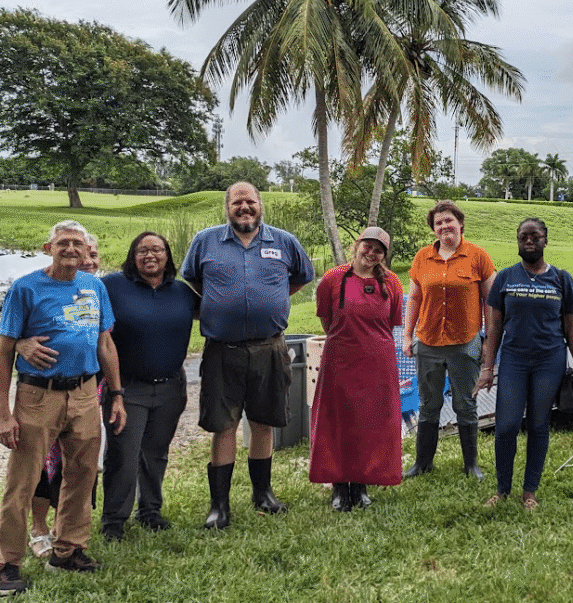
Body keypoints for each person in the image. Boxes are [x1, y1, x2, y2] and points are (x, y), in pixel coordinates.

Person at [0, 221, 126, 597]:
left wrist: (117, 394)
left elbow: (105, 344)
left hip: (83, 393)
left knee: (81, 476)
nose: (70, 248)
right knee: (24, 481)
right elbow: (2, 353)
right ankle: (4, 565)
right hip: (37, 396)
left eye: (77, 243)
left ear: (86, 251)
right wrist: (3, 414)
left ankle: (68, 550)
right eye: (62, 242)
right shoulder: (26, 288)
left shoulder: (94, 287)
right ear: (48, 248)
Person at [181, 181, 315, 529]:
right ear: (227, 207)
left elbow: (301, 277)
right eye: (237, 202)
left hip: (269, 347)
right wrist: (220, 299)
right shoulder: (205, 241)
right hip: (222, 351)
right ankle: (219, 506)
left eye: (250, 201)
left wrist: (272, 296)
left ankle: (263, 494)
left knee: (263, 423)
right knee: (222, 426)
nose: (245, 207)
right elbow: (193, 280)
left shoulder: (284, 242)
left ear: (260, 205)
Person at [473, 218, 573, 511]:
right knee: (506, 425)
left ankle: (529, 491)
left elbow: (570, 327)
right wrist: (488, 367)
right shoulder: (505, 278)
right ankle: (502, 489)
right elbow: (494, 328)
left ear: (545, 240)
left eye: (535, 236)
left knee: (538, 424)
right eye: (523, 237)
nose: (529, 241)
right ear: (518, 241)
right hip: (515, 361)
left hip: (549, 361)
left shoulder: (560, 279)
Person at [98, 232, 199, 540]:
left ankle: (150, 510)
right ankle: (114, 520)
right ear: (132, 255)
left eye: (157, 249)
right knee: (123, 456)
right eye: (142, 250)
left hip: (171, 387)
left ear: (168, 255)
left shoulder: (182, 292)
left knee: (155, 453)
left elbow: (215, 314)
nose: (150, 255)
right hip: (127, 389)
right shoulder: (111, 286)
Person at [309, 227, 404, 511]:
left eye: (379, 249)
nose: (371, 253)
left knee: (370, 422)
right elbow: (326, 320)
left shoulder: (392, 282)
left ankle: (361, 483)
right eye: (368, 246)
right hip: (340, 360)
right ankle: (339, 484)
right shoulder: (332, 279)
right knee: (338, 421)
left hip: (378, 361)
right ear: (357, 245)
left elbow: (392, 321)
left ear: (384, 254)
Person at [402, 200, 496, 480]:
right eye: (438, 223)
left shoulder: (477, 256)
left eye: (449, 220)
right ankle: (422, 463)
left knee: (465, 404)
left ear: (460, 223)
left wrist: (489, 340)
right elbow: (415, 298)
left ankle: (471, 465)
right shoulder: (422, 258)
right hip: (428, 342)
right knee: (428, 404)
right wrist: (407, 335)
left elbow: (490, 302)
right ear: (434, 228)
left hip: (465, 343)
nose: (444, 226)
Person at [25, 233, 101, 560]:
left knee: (82, 466)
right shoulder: (38, 287)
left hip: (92, 390)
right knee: (44, 464)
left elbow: (109, 342)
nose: (89, 259)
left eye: (94, 254)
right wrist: (19, 344)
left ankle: (66, 536)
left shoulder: (100, 290)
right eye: (86, 253)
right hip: (47, 392)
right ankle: (39, 526)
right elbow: (14, 333)